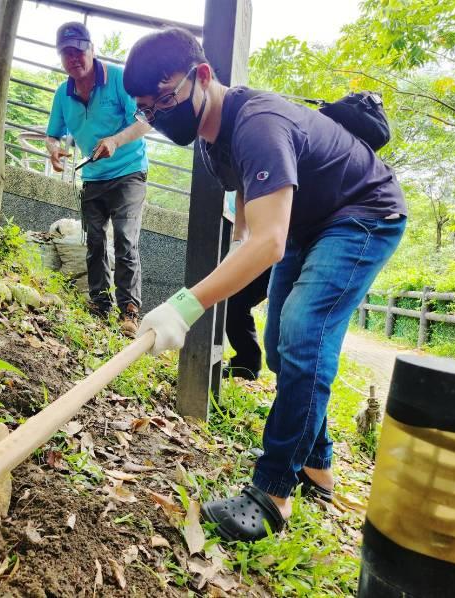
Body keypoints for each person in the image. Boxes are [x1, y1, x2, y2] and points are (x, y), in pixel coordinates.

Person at [123, 28, 406, 542]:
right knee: (277, 344)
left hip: (365, 213)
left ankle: (273, 494)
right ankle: (318, 465)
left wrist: (184, 306)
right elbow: (251, 225)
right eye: (148, 110)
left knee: (303, 331)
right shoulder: (212, 144)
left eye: (165, 99)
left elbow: (269, 243)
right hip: (307, 222)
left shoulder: (257, 123)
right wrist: (229, 263)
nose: (160, 116)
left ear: (202, 76)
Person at [46, 22, 151, 337]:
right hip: (93, 176)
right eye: (66, 54)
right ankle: (100, 303)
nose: (73, 59)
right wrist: (54, 151)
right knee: (93, 241)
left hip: (129, 172)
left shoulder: (118, 79)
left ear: (91, 49)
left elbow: (145, 120)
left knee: (124, 238)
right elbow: (53, 135)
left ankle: (129, 311)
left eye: (78, 51)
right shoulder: (63, 94)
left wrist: (116, 141)